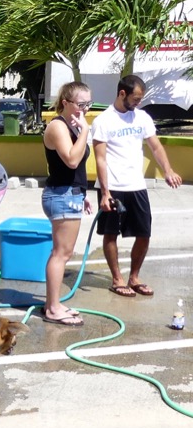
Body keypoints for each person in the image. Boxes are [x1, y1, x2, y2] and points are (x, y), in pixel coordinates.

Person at [92, 75, 182, 298]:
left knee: (144, 234)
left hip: (136, 186)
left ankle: (134, 277)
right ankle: (117, 279)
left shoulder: (142, 117)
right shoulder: (103, 121)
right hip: (112, 186)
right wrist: (105, 193)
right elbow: (100, 159)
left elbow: (156, 147)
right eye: (135, 98)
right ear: (122, 93)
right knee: (111, 234)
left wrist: (168, 170)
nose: (138, 103)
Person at [41, 82, 93, 326]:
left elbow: (76, 169)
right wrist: (84, 131)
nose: (84, 110)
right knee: (61, 253)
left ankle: (55, 302)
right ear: (66, 102)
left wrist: (83, 193)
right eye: (80, 105)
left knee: (64, 252)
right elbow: (71, 160)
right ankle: (52, 308)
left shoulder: (72, 126)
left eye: (88, 105)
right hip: (61, 195)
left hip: (70, 194)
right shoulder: (57, 126)